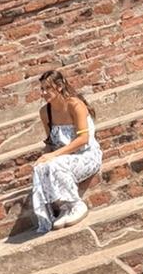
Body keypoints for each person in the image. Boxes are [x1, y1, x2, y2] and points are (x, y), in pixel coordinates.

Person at [31, 68, 102, 233]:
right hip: (63, 157)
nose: (43, 93)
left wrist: (53, 155)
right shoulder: (45, 112)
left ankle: (76, 204)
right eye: (42, 89)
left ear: (59, 86)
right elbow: (50, 142)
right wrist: (44, 157)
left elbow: (83, 139)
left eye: (47, 88)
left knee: (55, 164)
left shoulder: (75, 105)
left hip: (86, 156)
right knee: (40, 167)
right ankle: (63, 207)